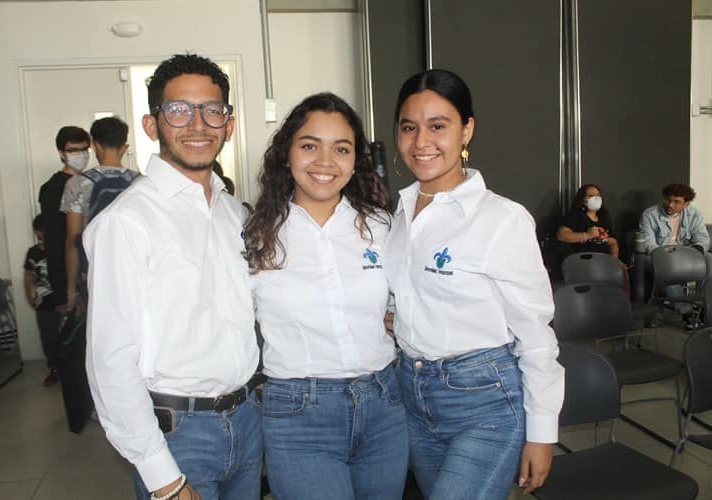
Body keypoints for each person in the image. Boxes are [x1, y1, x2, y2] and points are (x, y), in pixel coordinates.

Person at [83, 54, 261, 500]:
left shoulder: (232, 211)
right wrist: (162, 476)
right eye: (179, 110)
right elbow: (110, 359)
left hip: (248, 420)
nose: (198, 124)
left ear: (229, 124)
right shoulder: (126, 221)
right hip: (180, 435)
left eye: (212, 110)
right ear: (151, 124)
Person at [384, 69, 564, 500]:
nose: (421, 141)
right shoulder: (399, 214)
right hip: (413, 395)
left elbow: (536, 334)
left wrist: (542, 432)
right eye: (409, 127)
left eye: (438, 126)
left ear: (467, 130)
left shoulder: (502, 219)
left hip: (484, 401)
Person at [245, 93, 408, 499]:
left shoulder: (381, 225)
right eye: (309, 146)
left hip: (384, 406)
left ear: (356, 161)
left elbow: (404, 300)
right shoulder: (255, 235)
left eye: (341, 149)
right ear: (287, 154)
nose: (325, 161)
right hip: (300, 414)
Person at [61, 116, 137, 312]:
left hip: (94, 276)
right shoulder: (141, 184)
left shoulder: (77, 184)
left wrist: (71, 291)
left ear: (94, 144)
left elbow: (72, 239)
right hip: (135, 272)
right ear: (125, 146)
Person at [37, 125, 90, 385]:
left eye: (84, 149)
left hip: (89, 273)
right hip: (67, 277)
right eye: (73, 150)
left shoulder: (90, 182)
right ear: (61, 152)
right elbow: (57, 241)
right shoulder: (53, 188)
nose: (80, 155)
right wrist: (64, 290)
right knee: (74, 347)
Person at [634, 183, 711, 327]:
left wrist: (697, 250)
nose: (670, 204)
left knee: (709, 259)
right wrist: (669, 258)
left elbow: (703, 239)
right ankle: (687, 313)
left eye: (677, 202)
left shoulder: (693, 214)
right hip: (658, 257)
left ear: (686, 204)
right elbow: (649, 244)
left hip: (684, 256)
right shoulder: (650, 214)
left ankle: (706, 307)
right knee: (669, 269)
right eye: (668, 200)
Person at [23, 214, 60, 386]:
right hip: (43, 303)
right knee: (48, 337)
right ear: (38, 233)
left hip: (62, 300)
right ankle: (54, 368)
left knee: (65, 335)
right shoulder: (33, 253)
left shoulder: (60, 249)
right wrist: (29, 296)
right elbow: (28, 276)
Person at [556, 183, 619, 258]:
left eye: (598, 195)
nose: (596, 198)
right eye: (591, 196)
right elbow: (561, 235)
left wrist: (615, 261)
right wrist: (587, 235)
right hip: (582, 260)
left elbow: (613, 242)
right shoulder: (575, 215)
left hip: (603, 260)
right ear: (582, 199)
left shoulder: (604, 217)